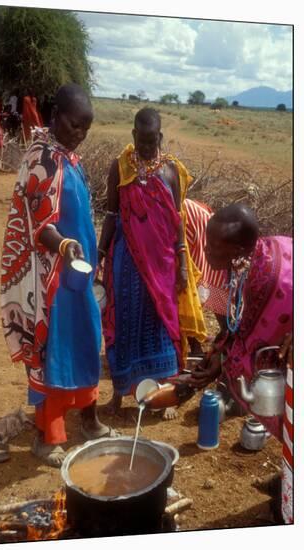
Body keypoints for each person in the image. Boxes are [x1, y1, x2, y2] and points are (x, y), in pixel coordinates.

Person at [0, 83, 116, 468]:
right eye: (73, 124)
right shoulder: (42, 159)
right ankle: (47, 438)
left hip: (77, 277)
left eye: (86, 126)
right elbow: (39, 225)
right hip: (51, 280)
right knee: (55, 354)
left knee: (86, 343)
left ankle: (89, 420)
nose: (80, 133)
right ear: (54, 116)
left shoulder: (70, 157)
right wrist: (65, 246)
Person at [186, 203, 292, 522]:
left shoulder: (281, 279)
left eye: (211, 245)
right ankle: (289, 475)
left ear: (235, 247)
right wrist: (218, 357)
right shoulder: (245, 261)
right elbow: (237, 321)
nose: (204, 248)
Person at [98, 107, 207, 414]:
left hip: (163, 265)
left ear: (160, 137)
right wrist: (101, 254)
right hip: (126, 262)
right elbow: (111, 214)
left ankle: (165, 393)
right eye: (141, 141)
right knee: (123, 324)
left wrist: (184, 265)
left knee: (162, 324)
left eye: (152, 141)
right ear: (133, 136)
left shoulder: (172, 172)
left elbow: (178, 222)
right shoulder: (119, 168)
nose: (147, 148)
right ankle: (119, 394)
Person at [185, 198, 229, 353]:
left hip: (198, 229)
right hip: (198, 228)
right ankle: (221, 339)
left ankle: (224, 340)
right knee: (199, 287)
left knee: (193, 288)